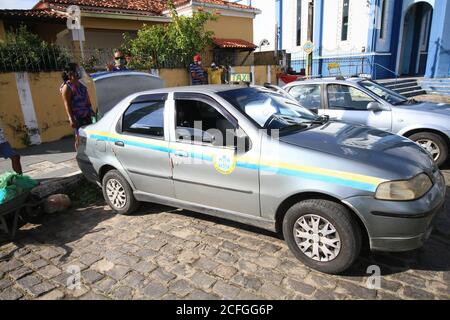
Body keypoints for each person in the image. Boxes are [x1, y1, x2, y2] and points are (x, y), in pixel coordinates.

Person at [60, 63, 95, 150]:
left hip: (87, 114)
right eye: (77, 69)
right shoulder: (67, 87)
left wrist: (91, 110)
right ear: (71, 72)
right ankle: (80, 154)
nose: (79, 71)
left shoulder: (81, 84)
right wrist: (71, 118)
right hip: (77, 117)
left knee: (88, 136)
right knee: (79, 137)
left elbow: (87, 98)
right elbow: (66, 104)